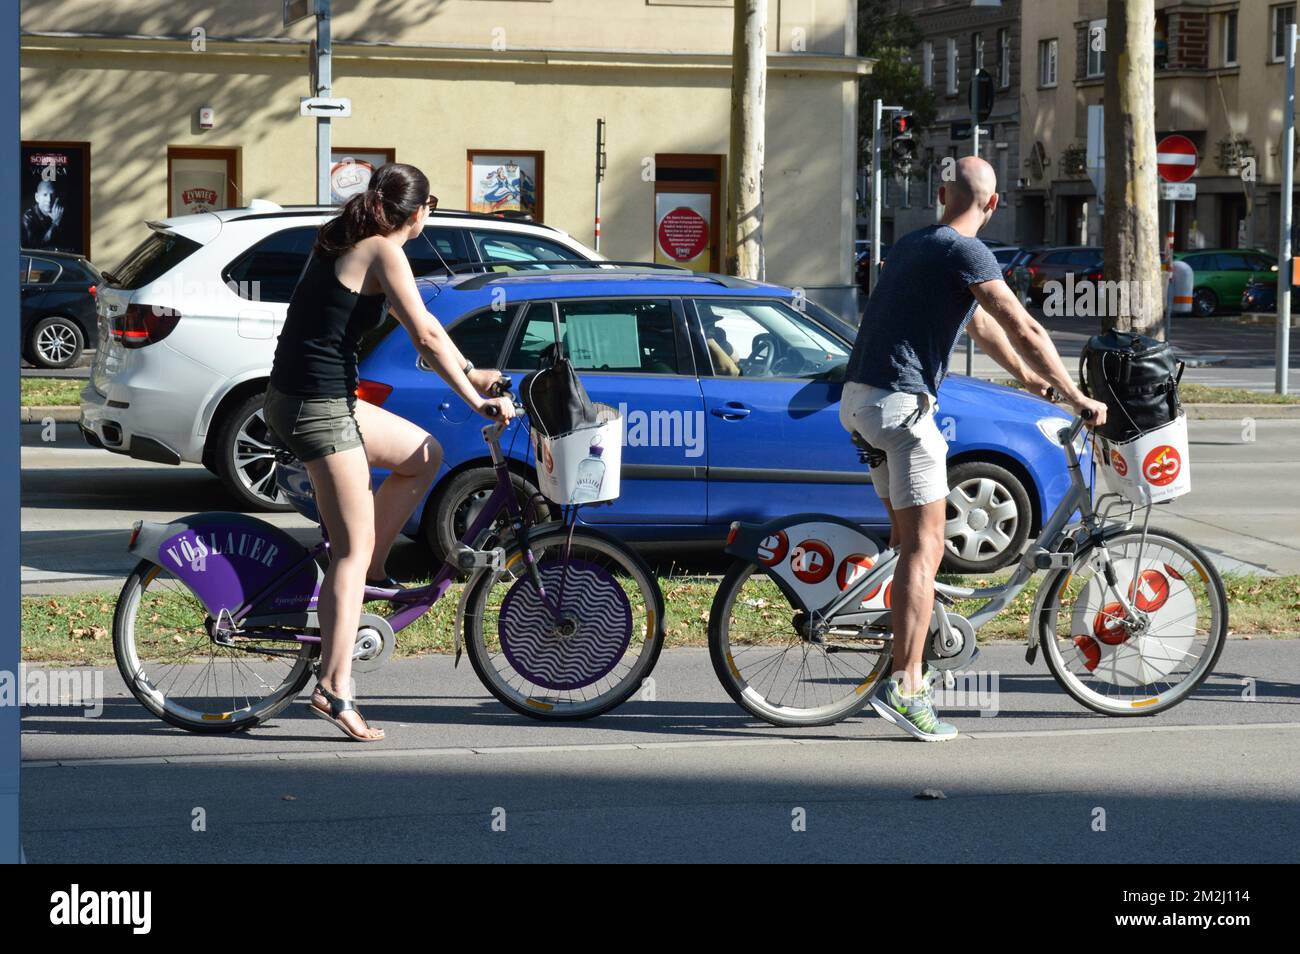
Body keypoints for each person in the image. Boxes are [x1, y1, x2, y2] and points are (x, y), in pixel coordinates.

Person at [839, 156, 1108, 742]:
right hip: (900, 408)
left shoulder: (917, 244)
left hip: (860, 399)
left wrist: (1027, 379)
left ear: (941, 195)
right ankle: (906, 685)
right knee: (926, 548)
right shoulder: (970, 251)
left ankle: (903, 641)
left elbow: (983, 327)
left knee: (905, 541)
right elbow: (1024, 325)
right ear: (993, 205)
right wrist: (1074, 396)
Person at [264, 163, 514, 742]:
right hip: (316, 406)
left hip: (317, 396)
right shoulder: (381, 248)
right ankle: (333, 686)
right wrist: (476, 402)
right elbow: (424, 335)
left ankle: (369, 575)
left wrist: (472, 372)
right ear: (419, 209)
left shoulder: (350, 238)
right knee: (347, 551)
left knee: (423, 455)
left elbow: (421, 323)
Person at [21, 179, 68, 250]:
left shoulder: (60, 212)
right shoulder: (28, 217)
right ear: (37, 198)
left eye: (52, 195)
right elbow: (35, 246)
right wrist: (55, 223)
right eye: (45, 195)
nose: (49, 200)